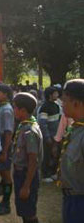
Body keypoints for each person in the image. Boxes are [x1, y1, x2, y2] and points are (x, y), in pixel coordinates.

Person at [11, 93, 43, 223]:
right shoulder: (24, 125)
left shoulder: (30, 131)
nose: (13, 110)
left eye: (15, 108)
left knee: (29, 213)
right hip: (21, 174)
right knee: (24, 210)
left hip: (26, 175)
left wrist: (26, 186)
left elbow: (33, 160)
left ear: (23, 110)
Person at [58, 79, 84, 223]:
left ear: (77, 103)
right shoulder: (75, 129)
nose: (62, 104)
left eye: (65, 100)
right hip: (70, 198)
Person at [0, 84, 15, 215]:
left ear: (6, 94)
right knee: (2, 173)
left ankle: (6, 204)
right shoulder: (2, 107)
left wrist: (5, 151)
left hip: (5, 146)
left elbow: (8, 132)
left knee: (6, 176)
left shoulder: (6, 110)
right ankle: (4, 202)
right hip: (1, 145)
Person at [38, 86, 61, 182]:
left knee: (55, 154)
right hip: (48, 136)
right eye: (55, 93)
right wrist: (47, 136)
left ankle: (53, 172)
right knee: (47, 155)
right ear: (50, 95)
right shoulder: (45, 107)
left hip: (56, 136)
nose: (57, 95)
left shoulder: (56, 105)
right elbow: (43, 123)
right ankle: (45, 174)